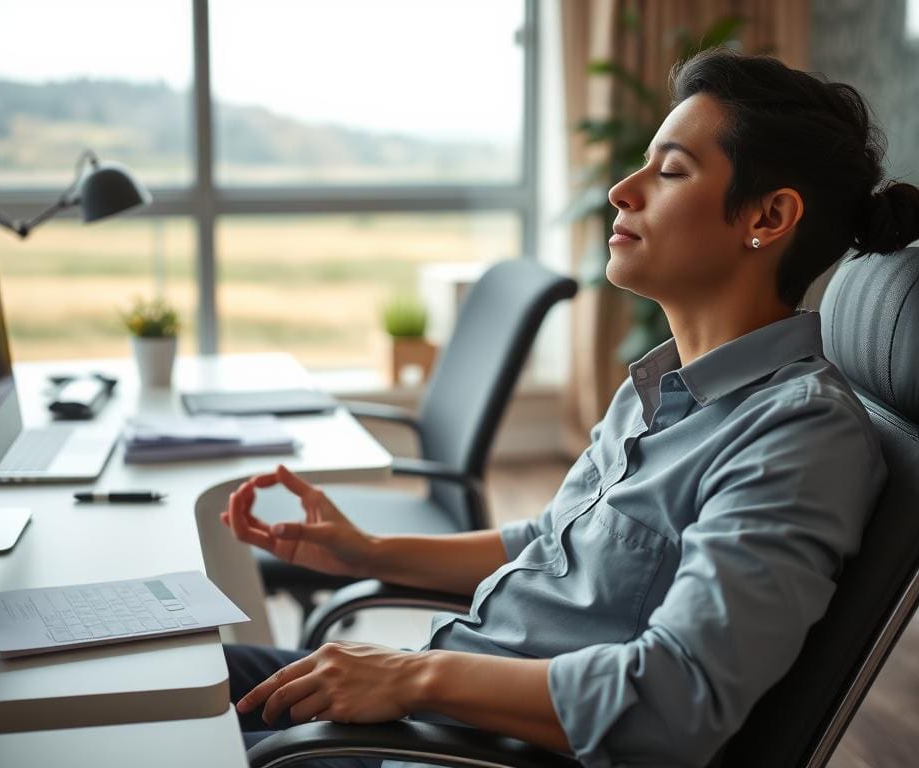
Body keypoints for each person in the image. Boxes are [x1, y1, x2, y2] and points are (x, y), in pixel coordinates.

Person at [221, 48, 919, 768]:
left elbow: (676, 701)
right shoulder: (659, 387)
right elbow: (557, 543)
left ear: (768, 217)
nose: (622, 189)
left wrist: (411, 678)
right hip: (441, 703)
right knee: (186, 678)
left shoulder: (797, 436)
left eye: (671, 171)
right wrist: (368, 551)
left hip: (465, 748)